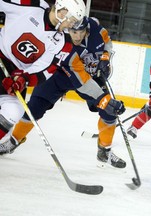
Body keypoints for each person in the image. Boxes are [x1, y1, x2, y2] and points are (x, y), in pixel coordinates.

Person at [0, 16, 126, 168]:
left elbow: (107, 41)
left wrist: (105, 57)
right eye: (74, 32)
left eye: (81, 31)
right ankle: (13, 141)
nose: (78, 36)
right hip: (59, 75)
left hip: (89, 77)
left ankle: (104, 151)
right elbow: (81, 80)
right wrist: (103, 99)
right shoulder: (62, 45)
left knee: (110, 110)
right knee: (34, 108)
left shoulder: (96, 28)